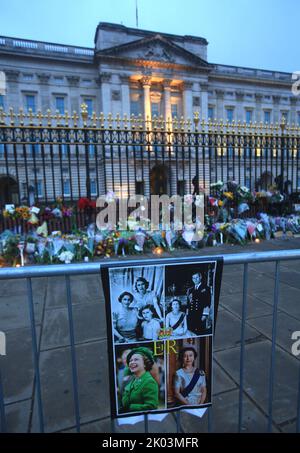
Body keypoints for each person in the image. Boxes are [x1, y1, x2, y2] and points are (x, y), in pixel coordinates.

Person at [121, 347, 159, 412]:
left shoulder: (149, 382)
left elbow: (152, 406)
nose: (132, 362)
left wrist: (130, 407)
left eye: (136, 359)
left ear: (145, 364)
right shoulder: (133, 381)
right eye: (130, 360)